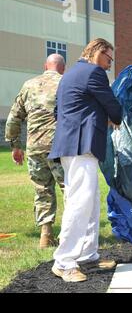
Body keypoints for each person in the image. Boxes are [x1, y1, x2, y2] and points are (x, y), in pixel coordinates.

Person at [49, 38, 122, 283]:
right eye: (109, 59)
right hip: (82, 145)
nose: (109, 65)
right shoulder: (94, 72)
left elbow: (57, 112)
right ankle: (64, 261)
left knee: (89, 203)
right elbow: (111, 104)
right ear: (98, 52)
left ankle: (88, 254)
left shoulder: (69, 75)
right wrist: (116, 117)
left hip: (72, 144)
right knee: (80, 203)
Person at [4, 54, 66, 249]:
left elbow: (14, 117)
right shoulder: (66, 83)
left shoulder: (29, 85)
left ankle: (45, 235)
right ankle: (70, 236)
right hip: (60, 147)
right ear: (63, 68)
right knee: (70, 190)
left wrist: (15, 145)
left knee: (42, 190)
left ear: (44, 66)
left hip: (35, 147)